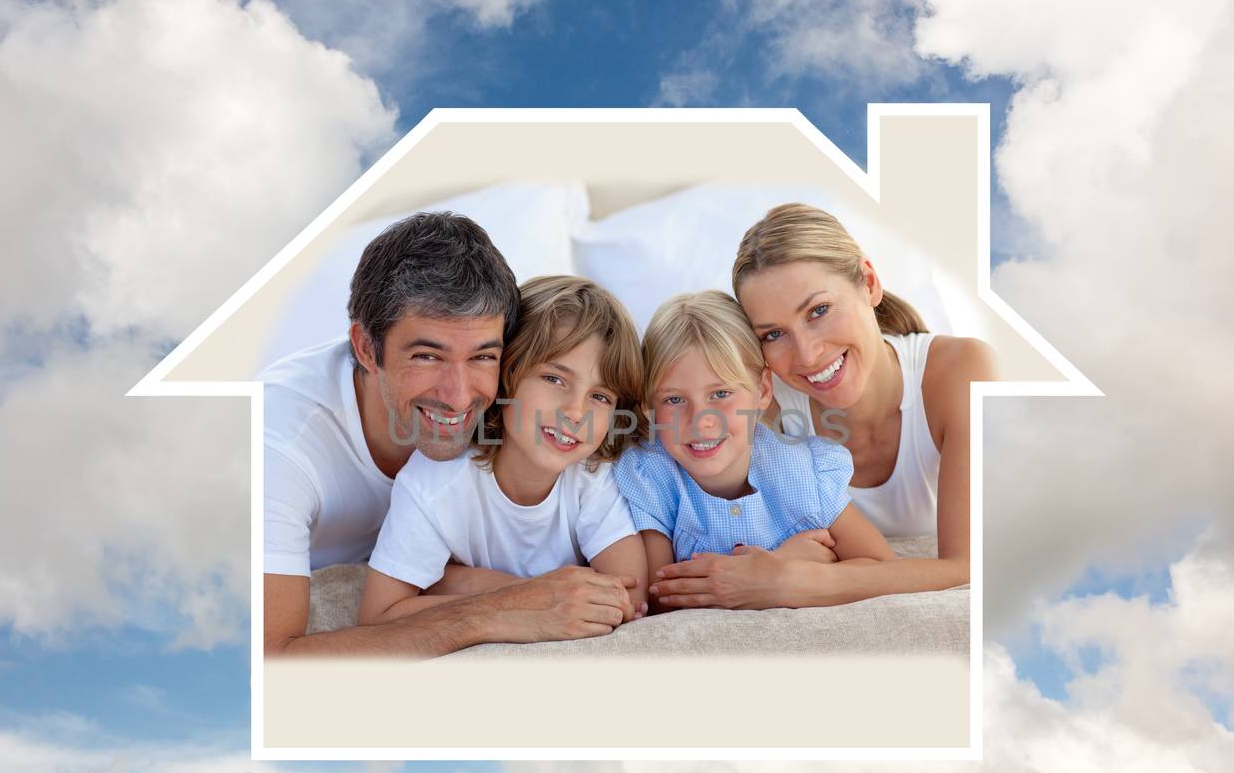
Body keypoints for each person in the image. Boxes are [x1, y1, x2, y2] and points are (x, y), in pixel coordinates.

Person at [261, 212, 638, 657]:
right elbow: (271, 660)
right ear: (365, 348)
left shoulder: (523, 421)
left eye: (482, 357)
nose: (459, 398)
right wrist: (501, 608)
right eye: (427, 356)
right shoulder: (279, 446)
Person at [647, 203, 995, 609]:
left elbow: (968, 568)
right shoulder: (760, 402)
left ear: (869, 282)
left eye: (819, 311)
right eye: (774, 333)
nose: (808, 355)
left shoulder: (959, 371)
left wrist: (801, 582)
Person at [360, 276, 649, 630]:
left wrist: (457, 582)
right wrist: (525, 596)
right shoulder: (434, 484)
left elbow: (631, 599)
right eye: (554, 379)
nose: (576, 412)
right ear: (506, 376)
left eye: (600, 397)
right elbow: (378, 616)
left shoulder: (593, 475)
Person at [614, 290, 895, 611]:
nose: (701, 421)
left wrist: (783, 576)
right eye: (674, 400)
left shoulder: (804, 471)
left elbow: (880, 565)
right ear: (650, 406)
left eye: (720, 393)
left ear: (762, 390)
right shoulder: (650, 474)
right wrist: (780, 563)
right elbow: (657, 597)